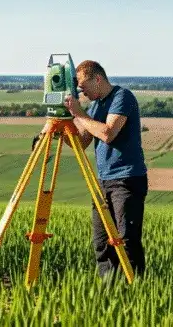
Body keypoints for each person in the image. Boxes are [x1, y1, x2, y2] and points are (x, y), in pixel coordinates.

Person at [39, 60, 148, 282]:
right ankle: (108, 288)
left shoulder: (122, 97)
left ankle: (134, 288)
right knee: (102, 242)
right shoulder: (96, 106)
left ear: (97, 79)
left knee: (126, 239)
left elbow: (108, 133)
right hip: (103, 181)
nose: (81, 92)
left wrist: (79, 114)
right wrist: (62, 127)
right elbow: (82, 142)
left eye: (83, 86)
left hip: (126, 179)